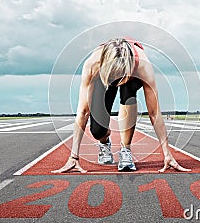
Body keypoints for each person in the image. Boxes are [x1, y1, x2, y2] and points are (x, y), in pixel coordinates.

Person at [52, 37, 190, 173]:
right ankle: (104, 141)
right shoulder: (92, 65)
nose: (119, 80)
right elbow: (83, 112)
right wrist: (73, 156)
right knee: (97, 131)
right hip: (104, 77)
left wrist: (167, 154)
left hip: (131, 74)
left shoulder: (143, 66)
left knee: (128, 91)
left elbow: (154, 112)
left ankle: (126, 150)